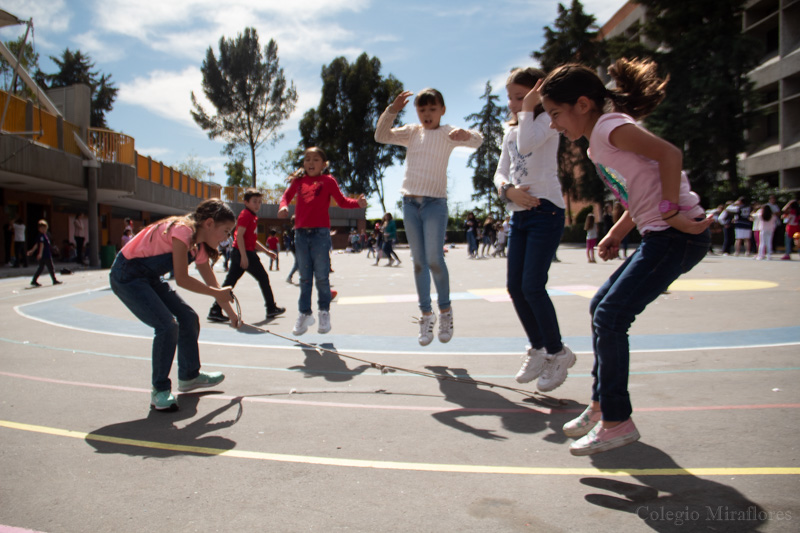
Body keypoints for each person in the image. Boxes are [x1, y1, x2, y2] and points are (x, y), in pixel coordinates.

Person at [538, 58, 712, 455]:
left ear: (582, 104)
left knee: (611, 316)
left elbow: (670, 155)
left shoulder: (608, 128)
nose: (552, 125)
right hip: (661, 234)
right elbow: (640, 188)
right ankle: (602, 406)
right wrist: (617, 232)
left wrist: (670, 211)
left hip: (675, 235)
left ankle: (617, 421)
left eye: (555, 114)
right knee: (601, 306)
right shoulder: (599, 138)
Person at [375, 88, 483, 345]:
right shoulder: (412, 132)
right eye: (422, 110)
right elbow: (381, 136)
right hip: (410, 203)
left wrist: (466, 135)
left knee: (434, 259)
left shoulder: (447, 133)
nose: (427, 114)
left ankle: (445, 311)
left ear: (442, 110)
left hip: (435, 203)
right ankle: (426, 315)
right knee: (419, 262)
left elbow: (477, 141)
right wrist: (392, 110)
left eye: (432, 109)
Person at [110, 199, 238, 411]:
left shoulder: (199, 247)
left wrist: (232, 315)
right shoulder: (182, 231)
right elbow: (182, 279)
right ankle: (159, 390)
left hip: (148, 277)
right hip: (127, 275)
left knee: (188, 318)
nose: (227, 238)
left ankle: (189, 376)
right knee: (167, 326)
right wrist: (217, 293)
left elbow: (213, 284)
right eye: (225, 231)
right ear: (209, 223)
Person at [494, 67, 574, 393]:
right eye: (511, 97)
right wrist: (507, 191)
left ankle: (558, 352)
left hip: (546, 211)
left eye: (520, 97)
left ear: (537, 95)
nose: (513, 103)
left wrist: (528, 107)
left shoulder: (547, 124)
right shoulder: (511, 131)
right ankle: (538, 348)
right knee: (515, 287)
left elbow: (527, 146)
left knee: (532, 286)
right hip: (519, 215)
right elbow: (501, 171)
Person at [278, 147, 367, 335]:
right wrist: (283, 206)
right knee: (304, 277)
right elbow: (286, 196)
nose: (310, 163)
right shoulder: (298, 181)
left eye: (315, 159)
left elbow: (342, 201)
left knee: (321, 276)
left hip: (320, 234)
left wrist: (357, 204)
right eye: (307, 159)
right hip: (301, 234)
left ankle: (324, 312)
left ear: (324, 164)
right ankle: (304, 314)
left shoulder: (328, 181)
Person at [207, 188, 285, 323]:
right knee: (263, 278)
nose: (257, 204)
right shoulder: (246, 215)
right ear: (246, 202)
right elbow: (239, 236)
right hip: (244, 253)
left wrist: (266, 252)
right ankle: (271, 308)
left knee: (230, 282)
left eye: (259, 202)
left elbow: (252, 240)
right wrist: (243, 256)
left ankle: (215, 310)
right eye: (254, 201)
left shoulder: (252, 217)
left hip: (242, 252)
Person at [27, 220, 61, 287]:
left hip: (45, 254)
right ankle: (54, 280)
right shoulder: (42, 236)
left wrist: (32, 250)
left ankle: (34, 280)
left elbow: (37, 244)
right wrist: (40, 253)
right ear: (39, 229)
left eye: (45, 228)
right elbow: (41, 244)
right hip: (45, 254)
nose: (44, 230)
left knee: (41, 268)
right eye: (42, 228)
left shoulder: (43, 235)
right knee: (50, 267)